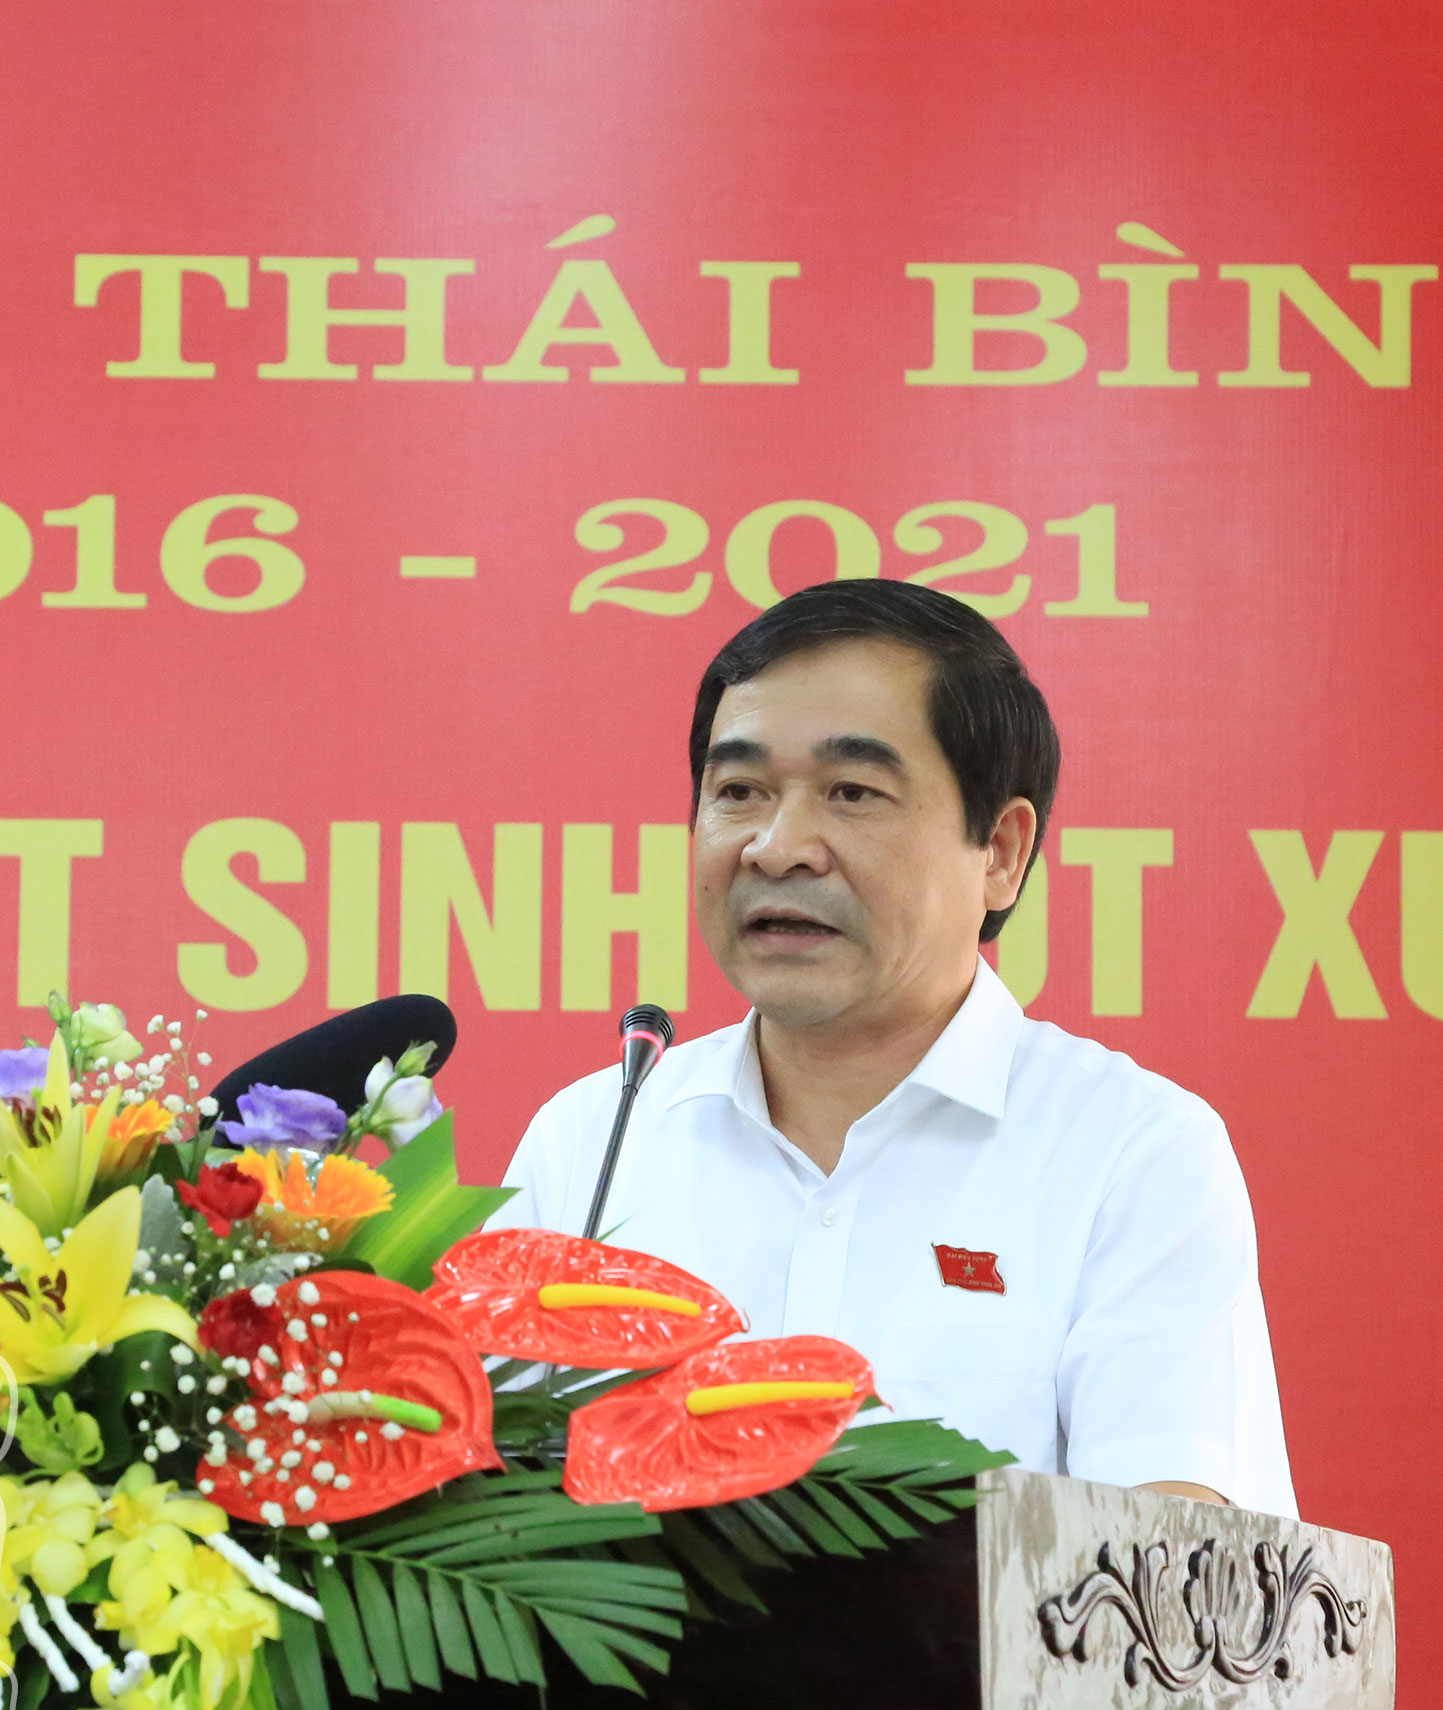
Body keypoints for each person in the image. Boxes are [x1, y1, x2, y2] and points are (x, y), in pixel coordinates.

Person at [493, 580, 1296, 1516]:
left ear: (1001, 851)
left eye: (852, 793)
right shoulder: (592, 1142)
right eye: (740, 791)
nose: (777, 847)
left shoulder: (1131, 1152)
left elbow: (1169, 1562)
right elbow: (479, 1523)